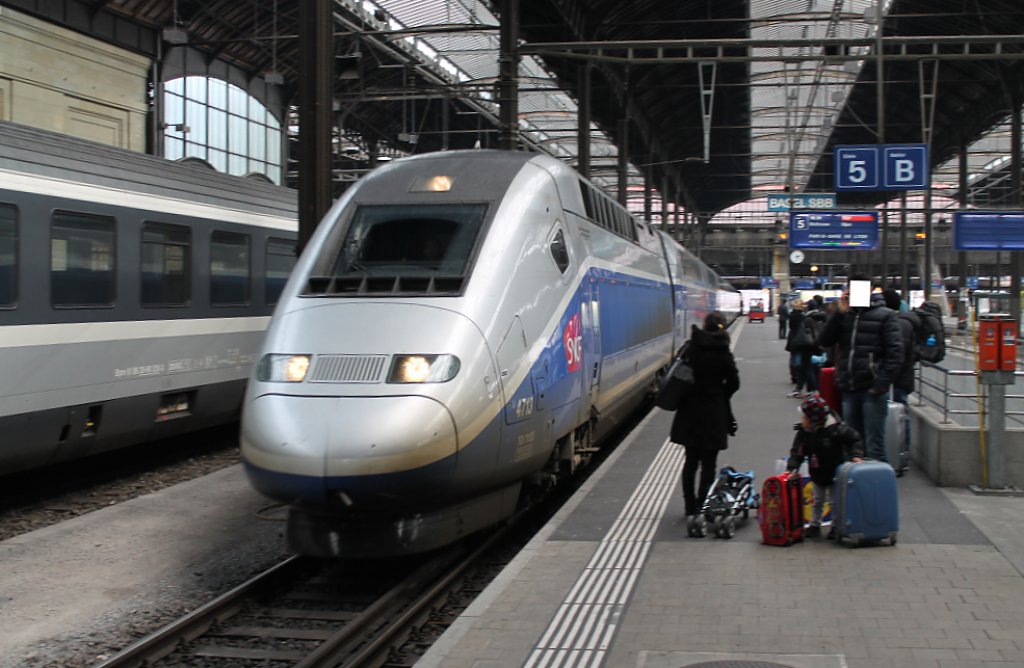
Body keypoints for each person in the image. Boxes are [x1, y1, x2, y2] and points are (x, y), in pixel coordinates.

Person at [816, 277, 903, 462]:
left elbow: (895, 354)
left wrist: (880, 385)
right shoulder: (845, 315)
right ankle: (858, 488)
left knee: (874, 447)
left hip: (872, 390)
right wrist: (838, 313)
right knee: (853, 447)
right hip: (850, 388)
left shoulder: (886, 315)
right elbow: (823, 341)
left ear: (870, 289)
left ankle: (879, 489)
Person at [670, 311, 740, 520]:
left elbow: (677, 373)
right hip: (714, 412)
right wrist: (720, 394)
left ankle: (689, 507)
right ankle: (703, 505)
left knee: (690, 461)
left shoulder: (691, 347)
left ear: (704, 325)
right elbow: (734, 382)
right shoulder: (723, 350)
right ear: (722, 327)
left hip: (690, 411)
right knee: (709, 463)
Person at [786, 393, 864, 539]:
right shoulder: (804, 432)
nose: (801, 421)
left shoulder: (836, 430)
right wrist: (792, 467)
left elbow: (854, 438)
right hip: (818, 472)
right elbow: (798, 451)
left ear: (813, 420)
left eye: (804, 418)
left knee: (835, 501)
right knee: (817, 499)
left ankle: (835, 525)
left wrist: (856, 455)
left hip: (836, 471)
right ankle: (815, 524)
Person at [883, 288, 917, 457]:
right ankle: (902, 453)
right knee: (902, 415)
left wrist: (887, 374)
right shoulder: (906, 322)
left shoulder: (898, 324)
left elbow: (896, 354)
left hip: (896, 378)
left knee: (900, 416)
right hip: (903, 377)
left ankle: (900, 453)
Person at [785, 300, 820, 398]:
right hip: (810, 344)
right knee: (805, 368)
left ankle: (813, 390)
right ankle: (801, 388)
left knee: (806, 367)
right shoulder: (816, 316)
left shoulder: (806, 317)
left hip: (803, 344)